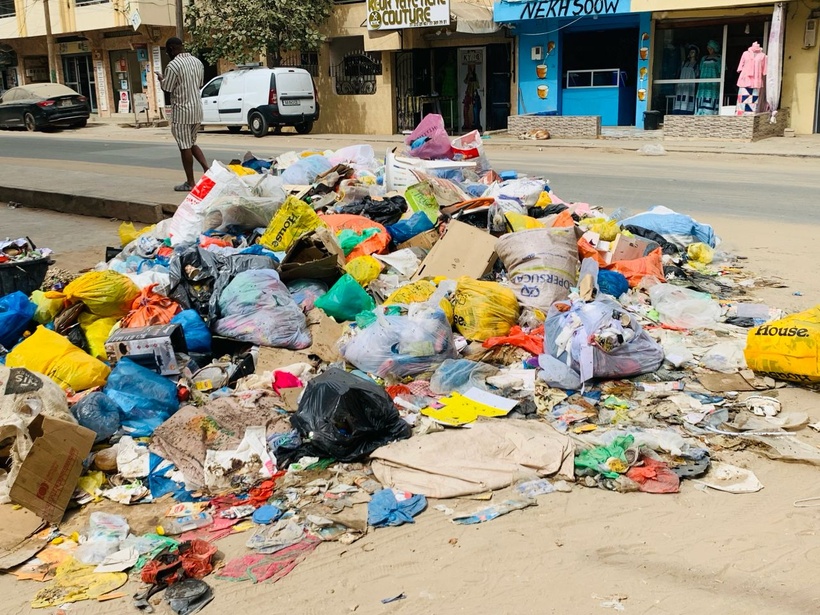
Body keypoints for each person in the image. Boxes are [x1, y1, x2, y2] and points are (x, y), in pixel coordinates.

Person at [157, 37, 207, 192]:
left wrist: (161, 80)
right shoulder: (197, 62)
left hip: (182, 111)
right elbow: (199, 84)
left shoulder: (173, 65)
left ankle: (190, 182)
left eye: (167, 51)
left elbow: (168, 87)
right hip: (197, 109)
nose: (167, 54)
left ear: (172, 49)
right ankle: (208, 170)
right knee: (191, 143)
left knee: (184, 146)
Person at [695, 40, 721, 116]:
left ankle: (710, 112)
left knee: (711, 96)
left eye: (711, 48)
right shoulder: (704, 58)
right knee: (702, 96)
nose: (709, 50)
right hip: (703, 82)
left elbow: (721, 71)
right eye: (708, 48)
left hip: (713, 82)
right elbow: (700, 69)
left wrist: (720, 83)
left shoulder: (719, 58)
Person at [673, 45, 698, 115]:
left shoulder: (696, 64)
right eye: (690, 52)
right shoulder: (684, 63)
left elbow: (697, 75)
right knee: (680, 98)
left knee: (687, 97)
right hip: (681, 84)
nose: (691, 53)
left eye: (693, 52)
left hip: (690, 85)